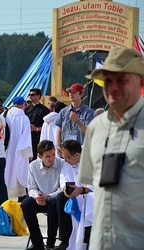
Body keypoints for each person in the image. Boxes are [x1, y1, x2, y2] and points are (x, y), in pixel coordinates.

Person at [78, 47, 144, 249]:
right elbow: (91, 185)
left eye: (121, 80)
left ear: (141, 82)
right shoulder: (96, 127)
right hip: (100, 242)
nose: (113, 87)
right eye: (108, 81)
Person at [21, 140, 63, 250]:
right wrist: (37, 196)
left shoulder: (61, 164)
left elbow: (62, 187)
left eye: (53, 154)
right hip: (40, 199)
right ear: (40, 156)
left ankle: (50, 243)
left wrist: (48, 196)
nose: (52, 159)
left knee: (53, 203)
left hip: (54, 199)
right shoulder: (33, 166)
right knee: (25, 204)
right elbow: (31, 188)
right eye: (48, 156)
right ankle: (37, 242)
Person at [56, 139, 93, 250]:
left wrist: (82, 190)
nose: (65, 161)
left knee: (91, 200)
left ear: (77, 154)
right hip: (75, 194)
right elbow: (63, 176)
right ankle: (64, 240)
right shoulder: (68, 161)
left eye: (67, 158)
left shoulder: (91, 161)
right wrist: (65, 188)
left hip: (90, 194)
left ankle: (88, 241)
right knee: (60, 198)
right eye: (63, 157)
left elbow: (96, 184)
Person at [4, 96, 32, 200]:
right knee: (20, 170)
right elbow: (26, 137)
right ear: (23, 104)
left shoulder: (7, 115)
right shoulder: (24, 118)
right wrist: (28, 153)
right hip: (20, 149)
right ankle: (20, 193)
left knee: (8, 169)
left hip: (7, 148)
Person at [55, 83, 94, 155]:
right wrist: (57, 145)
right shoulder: (63, 112)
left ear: (81, 94)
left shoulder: (89, 112)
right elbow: (59, 131)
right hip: (65, 151)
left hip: (80, 152)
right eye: (70, 92)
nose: (71, 94)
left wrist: (78, 122)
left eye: (74, 92)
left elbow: (89, 131)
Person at [24, 88, 50, 160]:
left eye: (32, 95)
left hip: (38, 138)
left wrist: (36, 129)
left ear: (38, 96)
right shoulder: (26, 109)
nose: (30, 96)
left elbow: (48, 126)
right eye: (29, 95)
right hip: (28, 138)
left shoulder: (44, 110)